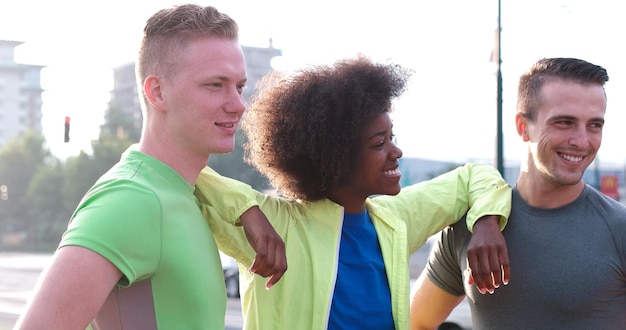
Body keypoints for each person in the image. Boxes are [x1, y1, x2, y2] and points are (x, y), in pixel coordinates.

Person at [14, 4, 286, 329]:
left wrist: (246, 206)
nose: (238, 105)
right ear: (157, 92)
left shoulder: (186, 193)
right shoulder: (131, 201)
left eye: (239, 87)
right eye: (216, 85)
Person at [195, 56, 512, 330]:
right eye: (379, 143)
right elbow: (178, 171)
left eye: (392, 136)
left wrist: (486, 221)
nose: (396, 151)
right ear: (335, 157)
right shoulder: (275, 223)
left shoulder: (396, 218)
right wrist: (246, 209)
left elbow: (476, 176)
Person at [410, 57, 626, 329]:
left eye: (595, 125)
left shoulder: (619, 229)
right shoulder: (471, 226)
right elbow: (416, 322)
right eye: (564, 122)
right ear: (523, 127)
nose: (582, 141)